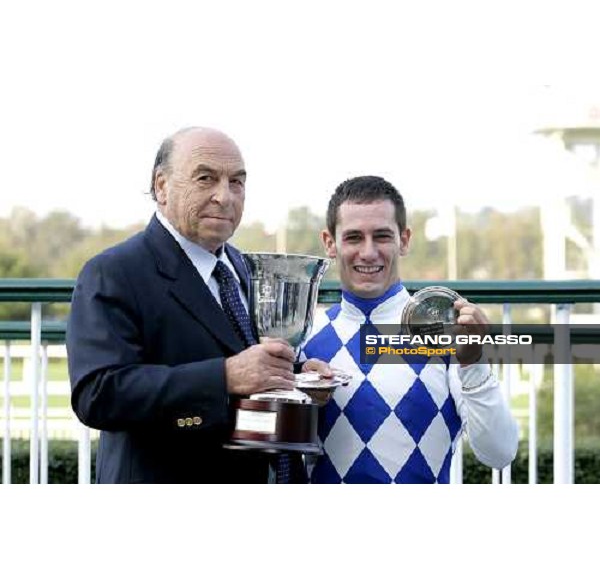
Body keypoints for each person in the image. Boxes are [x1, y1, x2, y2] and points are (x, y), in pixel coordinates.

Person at [67, 126, 306, 483]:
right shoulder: (113, 271)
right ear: (161, 186)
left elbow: (250, 365)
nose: (224, 197)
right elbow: (98, 394)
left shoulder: (242, 267)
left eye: (236, 182)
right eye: (206, 178)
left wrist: (300, 375)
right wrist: (223, 377)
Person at [300, 176, 519, 483]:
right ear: (329, 243)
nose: (368, 252)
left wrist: (474, 363)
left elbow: (500, 452)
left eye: (382, 236)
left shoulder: (446, 332)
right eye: (353, 237)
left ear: (404, 240)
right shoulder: (304, 337)